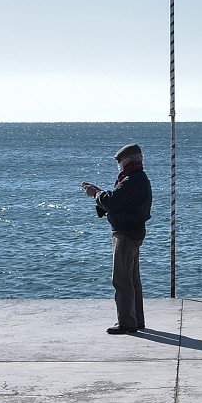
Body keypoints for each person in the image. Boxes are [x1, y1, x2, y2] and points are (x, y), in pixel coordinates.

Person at [82, 143, 153, 334]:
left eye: (120, 162)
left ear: (128, 160)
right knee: (132, 278)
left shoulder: (132, 180)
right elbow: (118, 200)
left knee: (121, 279)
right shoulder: (139, 179)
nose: (119, 166)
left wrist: (96, 194)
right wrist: (99, 193)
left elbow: (112, 202)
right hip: (134, 232)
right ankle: (137, 320)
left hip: (126, 234)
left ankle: (127, 322)